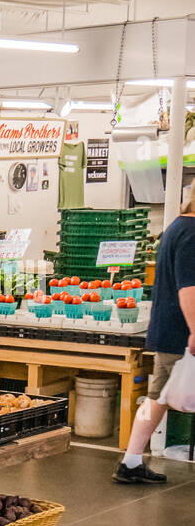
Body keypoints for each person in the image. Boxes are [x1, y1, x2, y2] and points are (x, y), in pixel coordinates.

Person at [113, 186, 195, 484]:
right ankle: (131, 462)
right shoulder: (192, 234)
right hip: (182, 334)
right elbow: (189, 290)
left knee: (156, 398)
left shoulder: (177, 226)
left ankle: (131, 461)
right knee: (157, 398)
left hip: (169, 329)